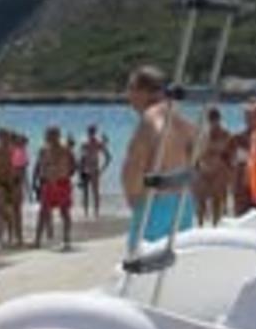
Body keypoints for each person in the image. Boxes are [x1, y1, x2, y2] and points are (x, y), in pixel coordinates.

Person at [122, 66, 197, 253]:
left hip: (153, 208)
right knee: (175, 268)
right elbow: (199, 150)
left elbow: (136, 167)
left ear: (143, 92)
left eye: (130, 88)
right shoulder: (181, 120)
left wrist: (134, 197)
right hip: (182, 203)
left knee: (142, 270)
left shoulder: (149, 120)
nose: (128, 95)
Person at [34, 126, 75, 249]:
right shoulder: (43, 150)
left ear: (56, 136)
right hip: (48, 183)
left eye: (49, 135)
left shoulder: (66, 150)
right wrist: (41, 179)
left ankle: (66, 239)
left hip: (63, 183)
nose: (47, 138)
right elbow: (40, 166)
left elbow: (73, 166)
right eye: (47, 135)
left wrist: (64, 174)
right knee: (43, 212)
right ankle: (37, 240)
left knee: (64, 211)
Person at [193, 108, 235, 225]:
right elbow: (196, 156)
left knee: (217, 201)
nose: (213, 123)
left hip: (218, 172)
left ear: (219, 120)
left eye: (215, 120)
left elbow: (230, 156)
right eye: (211, 120)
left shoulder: (226, 135)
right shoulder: (204, 136)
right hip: (204, 171)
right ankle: (200, 227)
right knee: (201, 202)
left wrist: (230, 176)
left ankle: (215, 226)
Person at [78, 124, 110, 217]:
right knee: (85, 193)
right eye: (89, 132)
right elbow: (81, 158)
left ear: (94, 132)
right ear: (87, 132)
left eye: (92, 132)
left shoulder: (97, 143)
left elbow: (108, 157)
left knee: (95, 192)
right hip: (85, 170)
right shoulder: (84, 144)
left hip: (94, 170)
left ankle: (96, 213)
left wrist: (102, 169)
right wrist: (79, 170)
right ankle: (86, 213)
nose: (90, 134)